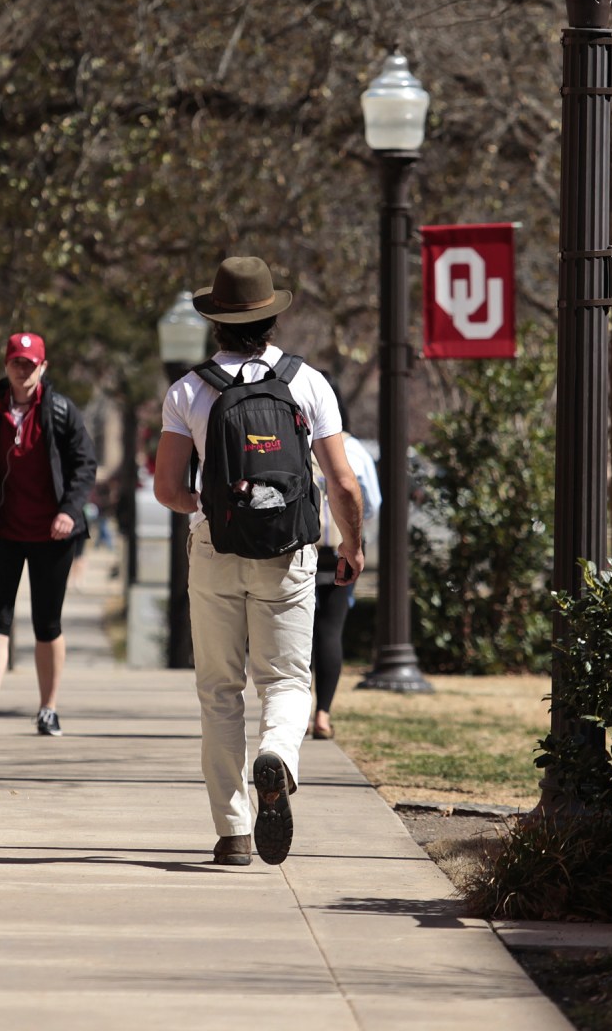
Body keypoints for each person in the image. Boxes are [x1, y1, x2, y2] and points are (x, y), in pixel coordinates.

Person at [154, 257, 364, 868]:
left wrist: (209, 508)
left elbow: (168, 487)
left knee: (220, 692)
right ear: (272, 318)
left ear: (215, 322)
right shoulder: (308, 383)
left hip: (214, 550)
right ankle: (278, 755)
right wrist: (352, 545)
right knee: (286, 681)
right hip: (290, 553)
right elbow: (343, 483)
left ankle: (234, 831)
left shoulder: (188, 390)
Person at [0, 332, 98, 737]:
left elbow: (85, 467)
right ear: (6, 366)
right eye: (16, 362)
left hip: (53, 534)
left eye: (31, 363)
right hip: (3, 532)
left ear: (43, 367)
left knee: (47, 623)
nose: (23, 369)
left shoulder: (61, 411)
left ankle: (48, 709)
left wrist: (69, 511)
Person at [310, 399, 381, 740]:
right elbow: (371, 502)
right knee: (330, 630)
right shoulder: (353, 449)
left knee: (296, 636)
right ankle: (322, 714)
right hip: (342, 549)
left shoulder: (291, 441)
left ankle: (288, 717)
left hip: (298, 549)